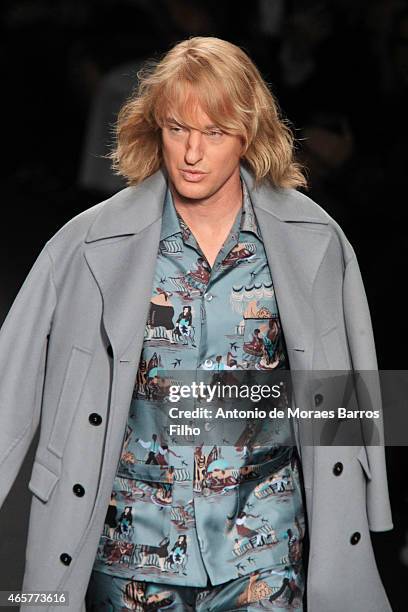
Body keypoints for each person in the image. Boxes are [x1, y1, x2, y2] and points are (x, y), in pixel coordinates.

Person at [0, 37, 393, 611]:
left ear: (248, 134)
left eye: (214, 133)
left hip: (265, 550)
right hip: (131, 550)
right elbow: (9, 384)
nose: (191, 153)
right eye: (177, 128)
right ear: (153, 128)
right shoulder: (88, 245)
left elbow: (343, 393)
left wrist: (369, 499)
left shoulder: (313, 242)